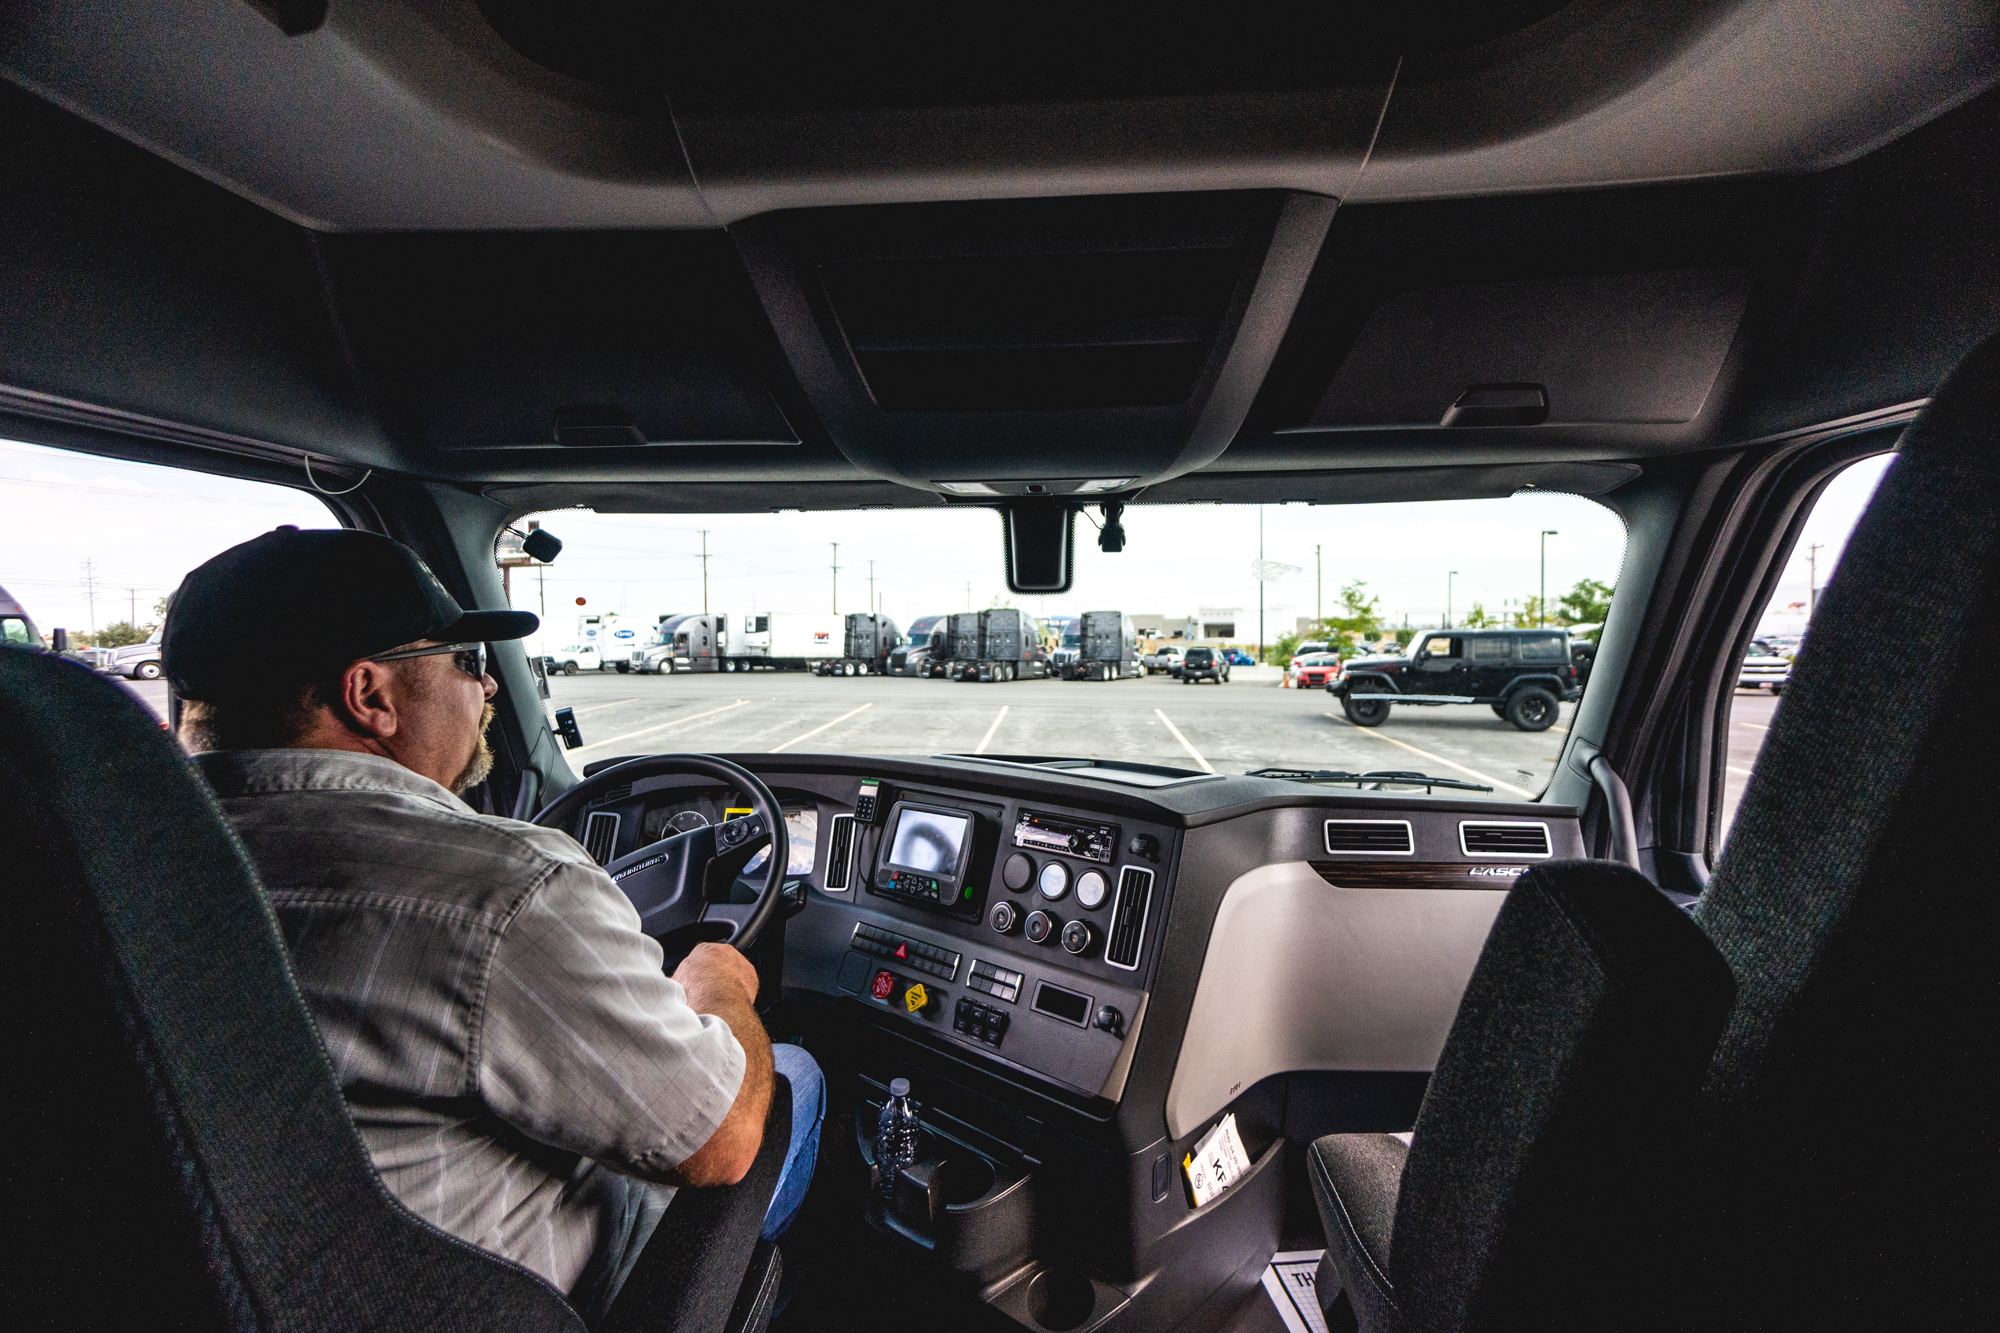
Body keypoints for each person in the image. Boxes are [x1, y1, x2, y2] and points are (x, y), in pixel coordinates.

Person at [162, 526, 823, 1321]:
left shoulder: (123, 867)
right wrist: (716, 980)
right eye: (467, 663)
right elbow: (723, 1137)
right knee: (792, 1077)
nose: (491, 691)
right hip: (509, 1299)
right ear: (370, 694)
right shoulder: (507, 889)